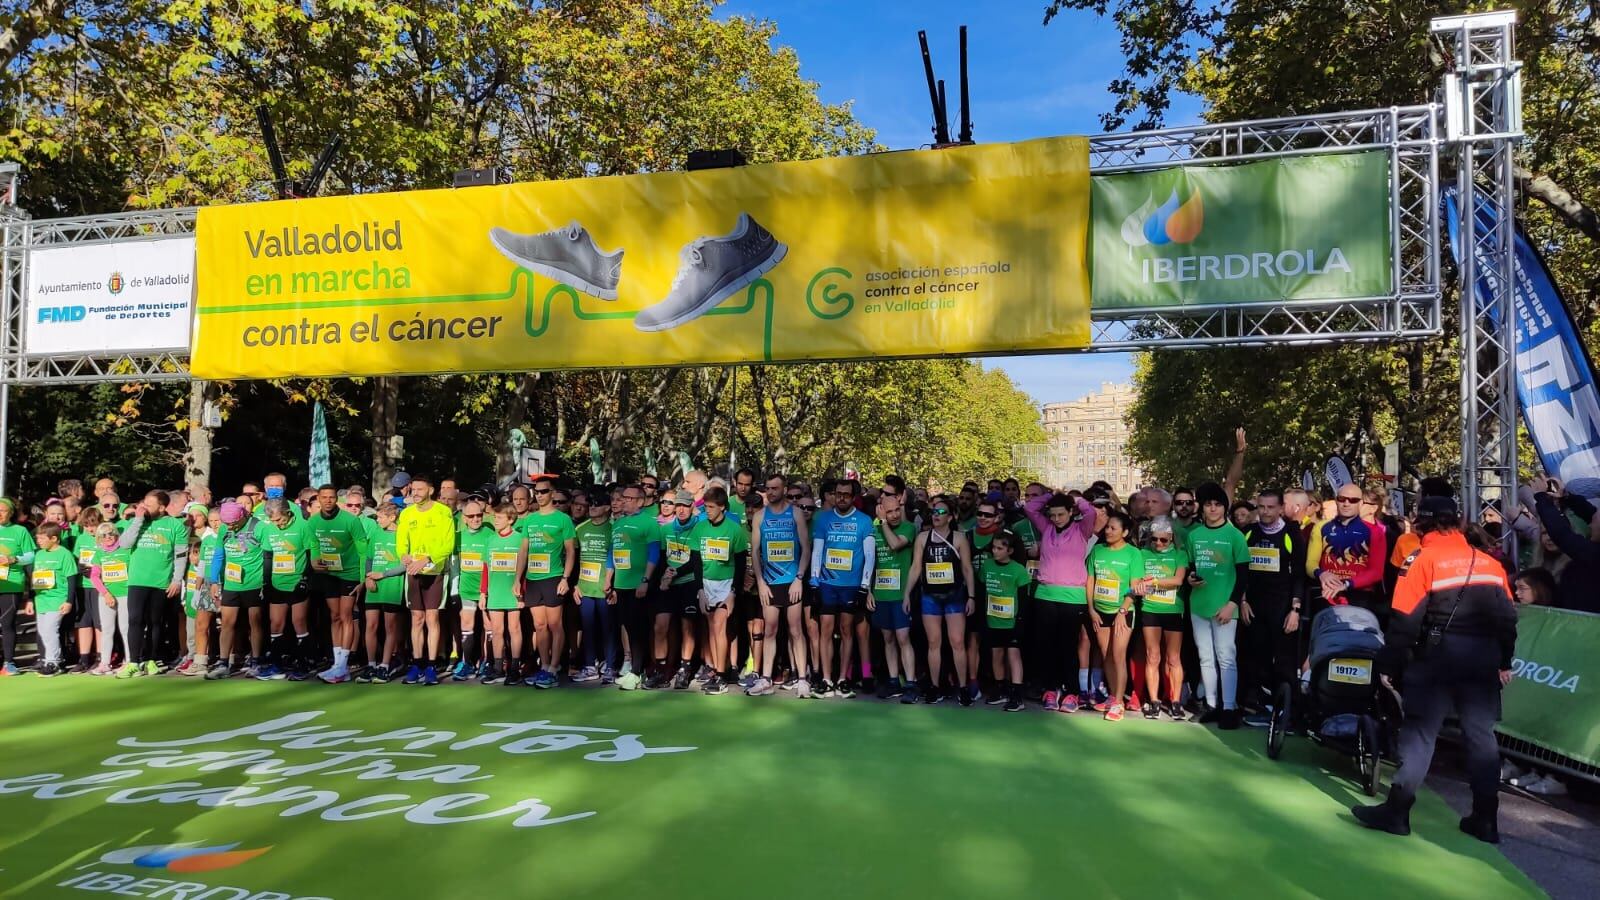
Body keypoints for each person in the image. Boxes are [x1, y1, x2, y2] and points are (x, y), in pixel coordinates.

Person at [1353, 495, 1517, 844]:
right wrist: (1504, 661)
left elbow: (1404, 622)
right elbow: (1508, 620)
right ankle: (1486, 820)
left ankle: (1397, 812)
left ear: (1421, 524)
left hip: (1436, 658)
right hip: (1483, 659)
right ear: (1456, 522)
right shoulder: (1489, 562)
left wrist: (1389, 666)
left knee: (1420, 735)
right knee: (1481, 738)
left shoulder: (1421, 559)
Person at [1023, 490, 1097, 712]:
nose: (1055, 519)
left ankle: (1072, 693)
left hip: (1073, 598)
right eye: (1052, 515)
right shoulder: (1046, 528)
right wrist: (1050, 496)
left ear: (1071, 513)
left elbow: (1090, 511)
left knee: (1068, 646)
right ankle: (1050, 690)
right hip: (1045, 594)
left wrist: (1074, 498)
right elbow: (1029, 508)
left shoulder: (1082, 530)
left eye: (1060, 515)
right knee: (1046, 646)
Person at [1186, 481, 1251, 728]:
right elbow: (1192, 568)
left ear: (1225, 508)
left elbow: (1244, 575)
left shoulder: (1235, 536)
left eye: (1217, 505)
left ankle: (1229, 707)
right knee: (1205, 657)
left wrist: (1232, 604)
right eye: (1208, 505)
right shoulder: (1195, 536)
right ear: (1202, 509)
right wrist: (1191, 579)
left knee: (1226, 657)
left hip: (1225, 608)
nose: (1212, 509)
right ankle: (1211, 705)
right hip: (1199, 605)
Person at [1239, 489, 1307, 722]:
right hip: (1254, 606)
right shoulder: (1248, 533)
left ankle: (1290, 714)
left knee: (1286, 663)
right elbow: (1241, 572)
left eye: (1270, 507)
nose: (1265, 512)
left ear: (1280, 509)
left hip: (1283, 606)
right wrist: (1243, 600)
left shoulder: (1291, 533)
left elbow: (1299, 575)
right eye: (1261, 507)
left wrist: (1295, 610)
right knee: (1254, 658)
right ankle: (1255, 705)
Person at [809, 478, 875, 699]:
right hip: (827, 584)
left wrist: (864, 586)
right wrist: (814, 582)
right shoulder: (823, 519)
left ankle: (843, 679)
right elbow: (817, 551)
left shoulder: (864, 521)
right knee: (825, 631)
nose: (842, 498)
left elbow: (870, 556)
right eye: (838, 494)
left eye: (846, 494)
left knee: (847, 631)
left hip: (851, 585)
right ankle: (826, 679)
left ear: (853, 496)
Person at [906, 496, 976, 705]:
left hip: (954, 596)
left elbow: (966, 569)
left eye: (941, 512)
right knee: (933, 643)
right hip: (930, 597)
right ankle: (934, 687)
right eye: (933, 512)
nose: (935, 515)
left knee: (957, 642)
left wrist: (971, 596)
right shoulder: (922, 538)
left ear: (951, 516)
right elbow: (916, 567)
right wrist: (906, 594)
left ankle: (963, 688)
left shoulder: (959, 538)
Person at [749, 473, 812, 698]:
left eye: (775, 488)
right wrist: (760, 582)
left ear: (784, 489)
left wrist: (799, 578)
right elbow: (755, 552)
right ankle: (765, 679)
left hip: (791, 580)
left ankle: (802, 679)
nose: (771, 492)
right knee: (770, 630)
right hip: (770, 582)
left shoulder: (795, 514)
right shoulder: (759, 516)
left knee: (796, 630)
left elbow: (806, 548)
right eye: (768, 488)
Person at [396, 475, 457, 686]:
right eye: (413, 489)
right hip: (413, 573)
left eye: (420, 489)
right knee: (416, 619)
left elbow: (448, 546)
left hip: (435, 573)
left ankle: (431, 665)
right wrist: (404, 556)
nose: (415, 493)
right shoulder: (406, 514)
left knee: (432, 619)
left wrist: (427, 559)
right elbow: (401, 543)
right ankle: (417, 663)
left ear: (430, 490)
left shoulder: (443, 512)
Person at [307, 485, 368, 684]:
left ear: (336, 499)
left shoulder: (351, 520)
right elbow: (314, 544)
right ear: (319, 499)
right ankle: (337, 664)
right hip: (329, 574)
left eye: (331, 497)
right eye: (324, 497)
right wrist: (315, 559)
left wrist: (362, 579)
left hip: (350, 574)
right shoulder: (313, 521)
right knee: (334, 617)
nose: (327, 501)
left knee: (346, 615)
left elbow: (363, 550)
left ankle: (343, 666)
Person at [1088, 511, 1142, 721]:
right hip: (1099, 612)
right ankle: (1112, 696)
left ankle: (1119, 703)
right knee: (1106, 654)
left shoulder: (1133, 554)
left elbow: (1135, 587)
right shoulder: (1098, 550)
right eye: (1107, 527)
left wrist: (1123, 610)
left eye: (1113, 528)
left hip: (1122, 611)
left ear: (1125, 532)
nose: (1108, 531)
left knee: (1118, 656)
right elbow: (1090, 580)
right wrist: (1091, 609)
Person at [692, 486, 747, 694]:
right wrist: (700, 591)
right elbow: (696, 562)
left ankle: (723, 676)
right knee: (711, 629)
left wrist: (733, 591)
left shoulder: (734, 530)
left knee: (719, 626)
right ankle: (716, 669)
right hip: (707, 584)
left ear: (722, 507)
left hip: (727, 584)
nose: (708, 510)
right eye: (705, 507)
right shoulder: (700, 528)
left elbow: (741, 564)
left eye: (711, 507)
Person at [1308, 484, 1388, 619]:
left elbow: (1376, 572)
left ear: (1361, 503)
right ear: (1336, 501)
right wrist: (1321, 574)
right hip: (1326, 593)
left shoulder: (1375, 532)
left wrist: (1346, 584)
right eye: (1341, 499)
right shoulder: (1321, 527)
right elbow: (1310, 563)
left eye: (1353, 500)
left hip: (1359, 596)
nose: (1346, 503)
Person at [610, 483, 662, 688]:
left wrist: (645, 580)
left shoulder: (649, 523)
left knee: (640, 629)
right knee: (629, 628)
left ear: (640, 501)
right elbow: (611, 553)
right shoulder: (618, 523)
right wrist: (609, 579)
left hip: (639, 586)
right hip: (621, 585)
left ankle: (640, 671)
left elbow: (654, 554)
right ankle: (634, 670)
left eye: (629, 498)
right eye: (623, 497)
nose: (624, 501)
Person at [206, 501, 266, 678]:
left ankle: (256, 662)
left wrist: (266, 581)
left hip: (254, 582)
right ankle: (224, 663)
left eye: (233, 523)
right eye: (227, 523)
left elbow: (268, 553)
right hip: (232, 583)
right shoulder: (225, 529)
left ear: (242, 516)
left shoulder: (258, 526)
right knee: (226, 622)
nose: (229, 526)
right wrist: (214, 580)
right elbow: (218, 554)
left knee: (254, 623)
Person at [869, 490, 919, 701]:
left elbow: (895, 544)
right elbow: (869, 560)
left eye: (897, 509)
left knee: (903, 638)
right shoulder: (873, 528)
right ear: (882, 511)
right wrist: (868, 591)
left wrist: (883, 524)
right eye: (889, 512)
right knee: (887, 638)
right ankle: (893, 682)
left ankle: (910, 683)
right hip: (881, 594)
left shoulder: (908, 528)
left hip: (901, 595)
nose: (895, 515)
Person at [1138, 517, 1189, 720]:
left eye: (1163, 540)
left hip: (1173, 610)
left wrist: (1154, 581)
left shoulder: (1180, 554)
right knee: (1152, 656)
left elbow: (1178, 580)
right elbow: (1139, 579)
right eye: (1154, 539)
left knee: (1173, 658)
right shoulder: (1142, 554)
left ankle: (1175, 701)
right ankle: (1154, 700)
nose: (1158, 543)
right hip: (1150, 608)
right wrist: (1147, 582)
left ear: (1171, 538)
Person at [255, 498, 311, 681]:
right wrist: (266, 583)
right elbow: (268, 556)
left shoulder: (303, 526)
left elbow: (312, 553)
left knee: (298, 622)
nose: (277, 524)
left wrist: (305, 579)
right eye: (272, 521)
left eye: (279, 520)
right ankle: (276, 666)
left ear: (288, 512)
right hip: (277, 582)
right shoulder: (270, 529)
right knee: (276, 623)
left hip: (297, 582)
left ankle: (303, 665)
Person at [1528, 478, 1600, 613]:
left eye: (1594, 522)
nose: (1589, 525)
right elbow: (1592, 513)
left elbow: (1561, 534)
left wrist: (1541, 498)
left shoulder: (1594, 554)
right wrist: (1566, 497)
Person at [979, 530, 1030, 712]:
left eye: (1000, 548)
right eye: (993, 547)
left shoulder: (1019, 570)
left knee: (1013, 655)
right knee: (997, 654)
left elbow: (1024, 600)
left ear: (1010, 551)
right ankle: (1000, 689)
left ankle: (1017, 694)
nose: (995, 551)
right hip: (993, 620)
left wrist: (1020, 622)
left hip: (1012, 623)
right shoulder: (987, 566)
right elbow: (983, 590)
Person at [478, 502, 528, 685]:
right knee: (496, 630)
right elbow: (485, 568)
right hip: (495, 592)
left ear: (510, 519)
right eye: (494, 517)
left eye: (499, 518)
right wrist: (483, 593)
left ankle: (514, 668)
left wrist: (522, 592)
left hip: (513, 592)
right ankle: (498, 668)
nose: (495, 520)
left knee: (514, 628)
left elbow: (524, 568)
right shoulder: (490, 540)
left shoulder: (520, 539)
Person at [357, 501, 407, 683]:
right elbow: (369, 557)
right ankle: (371, 664)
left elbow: (404, 564)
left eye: (380, 517)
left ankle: (385, 665)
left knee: (390, 627)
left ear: (392, 517)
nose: (377, 520)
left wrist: (383, 574)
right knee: (370, 625)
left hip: (392, 586)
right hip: (374, 587)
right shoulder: (376, 533)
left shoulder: (402, 534)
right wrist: (368, 577)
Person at [572, 492, 616, 684]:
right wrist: (574, 584)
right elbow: (572, 559)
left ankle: (611, 666)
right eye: (591, 504)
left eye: (597, 504)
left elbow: (616, 557)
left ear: (607, 507)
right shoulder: (580, 528)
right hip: (585, 588)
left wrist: (613, 586)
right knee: (588, 628)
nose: (592, 507)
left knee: (608, 628)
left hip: (605, 588)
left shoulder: (614, 529)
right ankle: (590, 666)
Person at [27, 522, 78, 676]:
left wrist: (69, 600)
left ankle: (53, 663)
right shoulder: (39, 554)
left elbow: (71, 579)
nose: (38, 541)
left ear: (54, 538)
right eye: (38, 538)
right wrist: (30, 600)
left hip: (58, 600)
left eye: (42, 538)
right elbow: (34, 579)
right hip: (41, 600)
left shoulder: (65, 554)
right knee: (43, 631)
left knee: (50, 630)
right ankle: (57, 660)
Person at [452, 497, 494, 681]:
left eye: (479, 515)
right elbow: (454, 564)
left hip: (488, 589)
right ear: (464, 518)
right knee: (467, 625)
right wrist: (455, 589)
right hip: (467, 589)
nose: (476, 519)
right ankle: (467, 663)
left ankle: (488, 663)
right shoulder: (458, 536)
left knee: (489, 626)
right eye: (472, 516)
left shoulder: (490, 534)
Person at [0, 497, 39, 675]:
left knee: (7, 624)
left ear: (11, 513)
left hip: (12, 584)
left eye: (3, 510)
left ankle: (9, 662)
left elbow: (31, 556)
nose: (0, 514)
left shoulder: (20, 531)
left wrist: (13, 559)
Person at [181, 505, 221, 677]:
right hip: (206, 586)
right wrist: (197, 591)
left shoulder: (229, 538)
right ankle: (200, 662)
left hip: (226, 585)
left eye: (217, 520)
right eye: (212, 521)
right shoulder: (208, 540)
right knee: (200, 625)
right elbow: (202, 567)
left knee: (228, 625)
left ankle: (229, 660)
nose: (215, 524)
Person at [69, 507, 105, 673]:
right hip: (82, 585)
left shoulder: (104, 537)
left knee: (100, 623)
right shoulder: (81, 538)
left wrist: (98, 570)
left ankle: (101, 657)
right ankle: (84, 658)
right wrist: (80, 566)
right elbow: (76, 558)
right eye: (87, 525)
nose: (91, 529)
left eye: (94, 525)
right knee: (83, 622)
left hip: (98, 586)